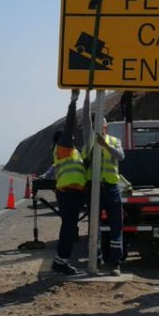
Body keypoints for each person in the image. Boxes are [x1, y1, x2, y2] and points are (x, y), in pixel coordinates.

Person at [51, 89, 87, 275]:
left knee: (70, 228)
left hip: (72, 193)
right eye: (69, 137)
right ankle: (61, 261)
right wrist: (74, 101)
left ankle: (62, 260)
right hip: (69, 193)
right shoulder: (64, 148)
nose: (73, 138)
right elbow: (70, 125)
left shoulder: (71, 153)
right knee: (68, 228)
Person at [87, 114, 126, 276]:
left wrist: (104, 145)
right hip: (94, 188)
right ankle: (96, 259)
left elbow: (120, 156)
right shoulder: (89, 142)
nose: (99, 128)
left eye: (101, 125)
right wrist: (92, 148)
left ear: (105, 126)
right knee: (94, 226)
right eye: (95, 125)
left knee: (116, 225)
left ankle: (115, 263)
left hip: (111, 187)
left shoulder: (114, 140)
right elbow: (84, 160)